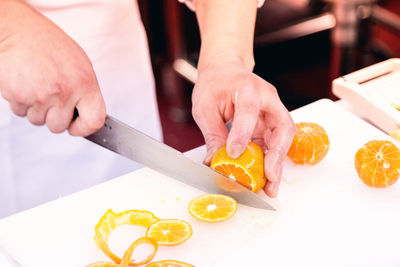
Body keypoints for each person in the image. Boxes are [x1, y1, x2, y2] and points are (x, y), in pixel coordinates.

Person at [0, 0, 295, 218]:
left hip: (112, 50)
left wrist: (225, 59)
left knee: (132, 217)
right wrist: (9, 31)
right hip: (15, 67)